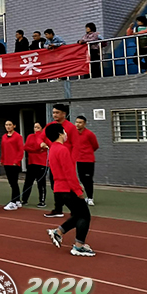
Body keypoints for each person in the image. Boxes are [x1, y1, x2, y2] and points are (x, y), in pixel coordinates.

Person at [45, 123, 95, 257]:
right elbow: (69, 173)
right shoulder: (62, 150)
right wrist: (78, 190)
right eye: (64, 131)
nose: (66, 134)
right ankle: (79, 246)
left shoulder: (53, 149)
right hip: (67, 189)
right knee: (85, 216)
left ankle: (59, 232)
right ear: (60, 134)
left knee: (78, 214)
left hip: (59, 189)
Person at [44, 104, 78, 218]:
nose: (54, 115)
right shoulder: (51, 126)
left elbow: (76, 145)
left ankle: (74, 210)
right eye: (53, 112)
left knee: (68, 184)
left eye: (57, 112)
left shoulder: (71, 128)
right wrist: (41, 143)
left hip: (66, 160)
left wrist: (72, 161)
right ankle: (58, 209)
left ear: (64, 114)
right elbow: (41, 137)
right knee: (56, 185)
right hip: (55, 161)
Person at [21, 122, 48, 208]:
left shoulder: (45, 137)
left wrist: (34, 148)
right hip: (31, 162)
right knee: (28, 182)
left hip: (41, 163)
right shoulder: (30, 136)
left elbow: (45, 146)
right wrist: (37, 149)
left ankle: (42, 201)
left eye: (38, 127)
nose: (36, 129)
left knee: (41, 183)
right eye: (35, 127)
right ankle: (24, 200)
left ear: (42, 128)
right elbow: (25, 147)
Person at [74, 116, 99, 206]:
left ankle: (90, 198)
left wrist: (88, 152)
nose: (78, 124)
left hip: (88, 160)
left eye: (80, 122)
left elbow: (95, 146)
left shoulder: (89, 134)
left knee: (88, 179)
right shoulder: (74, 134)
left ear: (84, 124)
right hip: (79, 160)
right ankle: (86, 197)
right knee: (82, 179)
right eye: (76, 122)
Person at [1, 121, 25, 211]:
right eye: (6, 125)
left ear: (14, 126)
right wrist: (2, 159)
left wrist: (17, 161)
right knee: (12, 183)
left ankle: (13, 202)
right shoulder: (4, 137)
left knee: (14, 183)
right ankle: (18, 200)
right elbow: (3, 149)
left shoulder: (18, 137)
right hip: (6, 162)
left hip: (14, 163)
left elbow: (20, 150)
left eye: (10, 125)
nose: (8, 126)